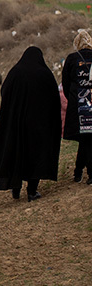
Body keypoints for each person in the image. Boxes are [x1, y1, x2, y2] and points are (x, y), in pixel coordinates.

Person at [0, 46, 62, 201]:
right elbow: (54, 98)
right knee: (35, 156)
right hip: (38, 126)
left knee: (16, 154)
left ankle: (16, 189)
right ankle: (31, 191)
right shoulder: (44, 74)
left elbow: (4, 91)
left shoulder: (16, 72)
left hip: (16, 124)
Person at [62, 29, 92, 183]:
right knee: (89, 139)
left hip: (77, 105)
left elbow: (65, 83)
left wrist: (73, 98)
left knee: (84, 139)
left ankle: (79, 171)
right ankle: (86, 173)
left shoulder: (72, 59)